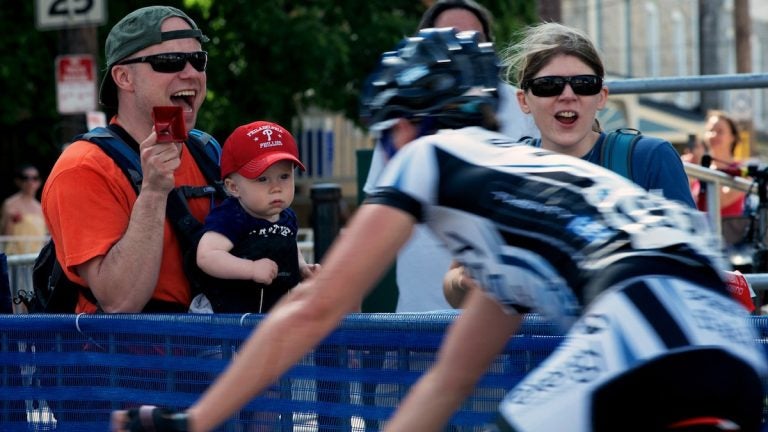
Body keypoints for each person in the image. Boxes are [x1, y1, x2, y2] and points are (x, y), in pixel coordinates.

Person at [111, 27, 767, 432]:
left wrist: (194, 420)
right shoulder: (525, 203)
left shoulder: (434, 153)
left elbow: (313, 308)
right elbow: (447, 383)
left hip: (642, 327)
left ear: (402, 127)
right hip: (729, 343)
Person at [443, 21, 697, 307]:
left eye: (583, 84)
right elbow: (453, 284)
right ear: (523, 101)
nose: (567, 95)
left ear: (601, 97)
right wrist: (470, 280)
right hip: (533, 346)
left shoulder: (649, 158)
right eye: (548, 85)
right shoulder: (501, 171)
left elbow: (692, 268)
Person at [365, 0, 540, 313]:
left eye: (472, 40)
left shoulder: (523, 108)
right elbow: (375, 212)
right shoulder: (404, 112)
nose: (460, 49)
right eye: (448, 38)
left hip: (507, 315)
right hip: (421, 315)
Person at [42, 6, 216, 313]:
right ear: (124, 77)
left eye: (197, 60)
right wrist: (152, 193)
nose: (190, 73)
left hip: (211, 354)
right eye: (170, 61)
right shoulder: (83, 167)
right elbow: (120, 300)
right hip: (122, 357)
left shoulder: (206, 149)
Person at [192, 120, 319, 313]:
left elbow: (288, 247)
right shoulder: (232, 216)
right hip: (224, 314)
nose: (276, 188)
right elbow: (207, 256)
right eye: (262, 179)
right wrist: (250, 269)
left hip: (267, 309)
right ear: (234, 187)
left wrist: (302, 268)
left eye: (284, 177)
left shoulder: (287, 217)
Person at [695, 110, 747, 217]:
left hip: (727, 231)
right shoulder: (699, 170)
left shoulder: (742, 171)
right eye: (710, 130)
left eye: (720, 131)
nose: (714, 135)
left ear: (733, 137)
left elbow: (719, 203)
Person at [1, 164, 47, 255]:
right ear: (18, 181)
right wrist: (10, 220)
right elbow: (4, 236)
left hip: (35, 259)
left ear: (39, 182)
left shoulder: (41, 208)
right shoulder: (10, 204)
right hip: (15, 259)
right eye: (25, 178)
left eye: (34, 178)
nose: (30, 182)